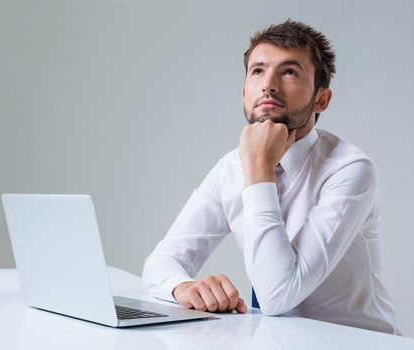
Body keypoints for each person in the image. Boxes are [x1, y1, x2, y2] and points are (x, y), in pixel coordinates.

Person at [142, 19, 399, 334]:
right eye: (258, 71)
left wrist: (259, 169)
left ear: (322, 99)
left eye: (289, 72)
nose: (269, 85)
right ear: (244, 93)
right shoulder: (230, 168)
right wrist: (181, 286)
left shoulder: (350, 170)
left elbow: (278, 296)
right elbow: (161, 262)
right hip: (275, 340)